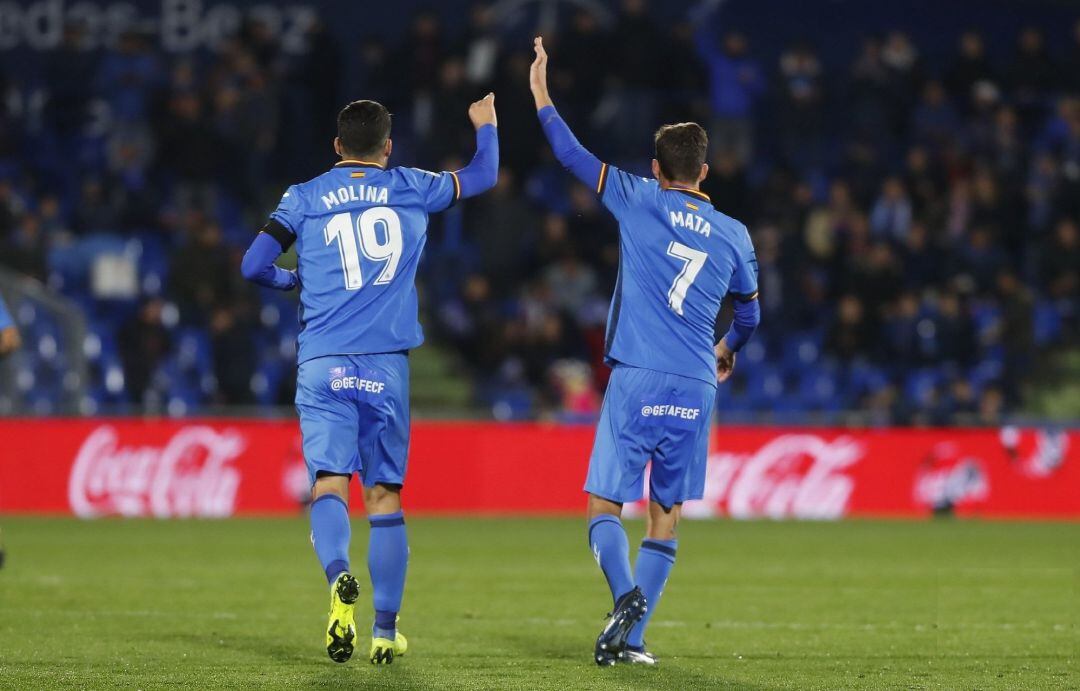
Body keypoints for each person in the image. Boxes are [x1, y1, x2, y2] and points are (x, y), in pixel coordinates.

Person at [241, 95, 498, 664]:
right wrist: (487, 128)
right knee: (384, 496)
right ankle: (385, 631)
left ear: (337, 146)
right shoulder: (411, 184)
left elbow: (252, 265)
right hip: (385, 364)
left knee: (328, 484)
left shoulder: (303, 197)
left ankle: (338, 576)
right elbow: (484, 176)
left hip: (322, 361)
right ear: (388, 146)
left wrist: (293, 284)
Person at [528, 37, 760, 666]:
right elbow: (751, 313)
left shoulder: (635, 197)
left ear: (655, 168)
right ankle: (632, 641)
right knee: (667, 513)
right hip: (695, 383)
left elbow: (571, 154)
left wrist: (543, 94)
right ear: (704, 172)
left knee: (605, 504)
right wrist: (728, 347)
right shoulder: (736, 235)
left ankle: (624, 594)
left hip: (637, 378)